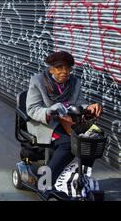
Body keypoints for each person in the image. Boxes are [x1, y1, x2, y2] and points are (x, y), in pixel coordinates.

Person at [26, 51, 103, 188]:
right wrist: (50, 110)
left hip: (69, 121)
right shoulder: (38, 81)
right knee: (68, 144)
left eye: (67, 68)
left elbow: (80, 103)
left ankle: (79, 178)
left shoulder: (74, 82)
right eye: (59, 68)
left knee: (90, 141)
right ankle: (45, 182)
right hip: (45, 123)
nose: (64, 72)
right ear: (51, 69)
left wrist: (89, 107)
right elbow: (32, 109)